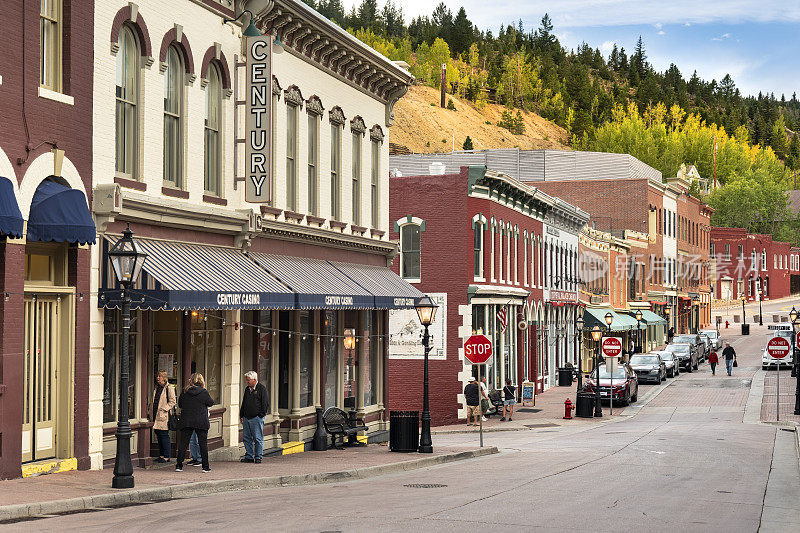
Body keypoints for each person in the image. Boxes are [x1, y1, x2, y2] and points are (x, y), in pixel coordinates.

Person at [175, 373, 214, 473]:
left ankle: (179, 466)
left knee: (183, 444)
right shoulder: (204, 392)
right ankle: (205, 467)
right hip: (201, 420)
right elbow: (211, 403)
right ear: (201, 381)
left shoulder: (185, 392)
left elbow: (180, 404)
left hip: (187, 420)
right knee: (203, 444)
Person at [240, 371, 269, 464]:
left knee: (257, 438)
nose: (247, 382)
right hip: (246, 418)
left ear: (254, 380)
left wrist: (261, 415)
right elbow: (244, 402)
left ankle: (258, 457)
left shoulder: (262, 389)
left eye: (248, 380)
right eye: (246, 380)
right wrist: (241, 415)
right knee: (246, 438)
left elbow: (265, 404)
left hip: (256, 418)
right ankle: (249, 456)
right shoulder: (247, 389)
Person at [150, 371, 176, 463]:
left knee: (164, 435)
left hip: (164, 415)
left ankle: (167, 456)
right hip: (155, 415)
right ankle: (161, 455)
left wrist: (164, 409)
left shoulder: (169, 388)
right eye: (157, 376)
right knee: (158, 435)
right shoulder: (156, 388)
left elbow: (173, 401)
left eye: (160, 376)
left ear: (164, 377)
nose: (158, 378)